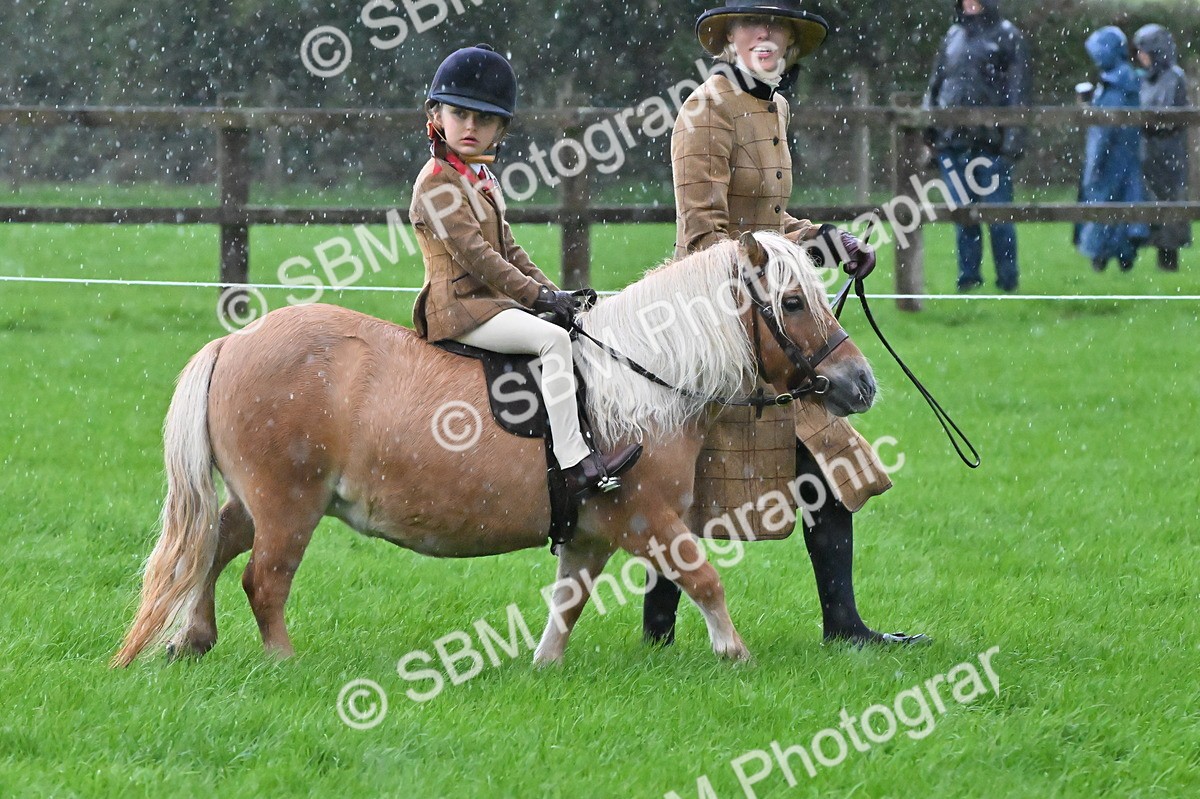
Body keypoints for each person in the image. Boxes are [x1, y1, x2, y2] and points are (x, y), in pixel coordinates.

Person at [641, 1, 927, 648]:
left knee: (824, 462)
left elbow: (770, 221)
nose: (766, 36)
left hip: (771, 319)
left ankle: (846, 628)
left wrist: (828, 241)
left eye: (779, 29)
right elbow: (703, 240)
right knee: (682, 484)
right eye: (752, 25)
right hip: (721, 323)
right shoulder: (703, 113)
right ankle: (656, 635)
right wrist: (779, 274)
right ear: (728, 39)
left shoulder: (773, 105)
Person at [409, 45, 640, 495]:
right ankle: (575, 465)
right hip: (459, 309)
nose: (471, 127)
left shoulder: (480, 177)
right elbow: (479, 256)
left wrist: (558, 294)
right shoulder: (437, 182)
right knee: (552, 340)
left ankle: (588, 436)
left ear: (501, 129)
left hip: (489, 303)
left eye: (486, 119)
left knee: (573, 328)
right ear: (436, 114)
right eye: (460, 114)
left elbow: (509, 248)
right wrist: (538, 301)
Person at [924, 0, 1030, 292]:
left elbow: (1018, 90)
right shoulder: (952, 35)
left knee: (998, 217)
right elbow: (936, 84)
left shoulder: (1008, 36)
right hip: (952, 142)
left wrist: (1013, 140)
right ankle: (968, 280)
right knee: (963, 216)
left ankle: (1008, 282)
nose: (970, 4)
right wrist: (929, 131)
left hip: (991, 145)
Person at [1076, 27, 1149, 272]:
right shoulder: (1123, 79)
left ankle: (1101, 254)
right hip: (1124, 154)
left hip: (1111, 154)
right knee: (1122, 201)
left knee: (1104, 203)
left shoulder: (1116, 83)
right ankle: (1121, 255)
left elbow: (1106, 126)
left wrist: (1096, 158)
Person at [1133, 24, 1191, 272]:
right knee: (1151, 203)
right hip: (1148, 151)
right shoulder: (1146, 79)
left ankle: (1168, 264)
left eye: (1143, 50)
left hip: (1168, 153)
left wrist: (1143, 122)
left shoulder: (1173, 77)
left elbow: (1166, 117)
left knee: (1169, 203)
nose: (1140, 56)